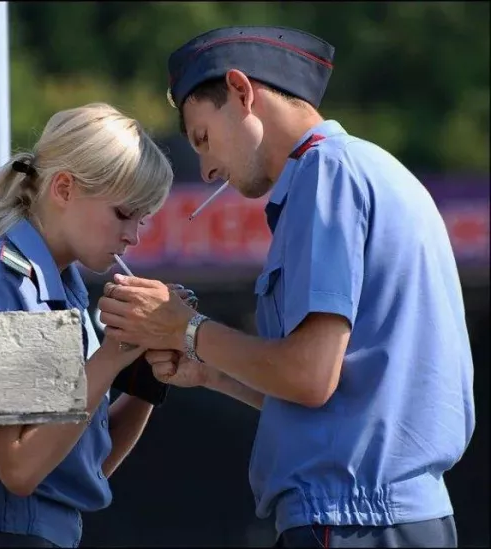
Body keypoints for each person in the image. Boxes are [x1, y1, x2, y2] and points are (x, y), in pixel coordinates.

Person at [97, 27, 475, 548]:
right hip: (394, 518)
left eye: (203, 137)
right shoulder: (373, 170)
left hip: (347, 522)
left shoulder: (326, 176)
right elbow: (336, 394)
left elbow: (308, 375)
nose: (205, 169)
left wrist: (184, 327)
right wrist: (211, 372)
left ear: (240, 91)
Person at [0, 103, 189, 548]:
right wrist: (114, 352)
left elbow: (80, 471)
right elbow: (21, 469)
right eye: (124, 214)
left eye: (143, 219)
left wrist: (146, 376)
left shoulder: (65, 290)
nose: (134, 236)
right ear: (64, 188)